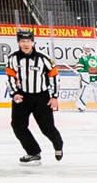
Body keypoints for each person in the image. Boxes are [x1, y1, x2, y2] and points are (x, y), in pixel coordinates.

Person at [5, 28, 64, 162]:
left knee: (47, 128)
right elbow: (9, 77)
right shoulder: (12, 58)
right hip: (21, 97)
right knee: (17, 125)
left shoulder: (43, 58)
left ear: (33, 42)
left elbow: (54, 77)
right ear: (18, 43)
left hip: (41, 98)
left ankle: (58, 145)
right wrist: (14, 94)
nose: (25, 44)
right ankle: (33, 152)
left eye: (28, 41)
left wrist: (54, 96)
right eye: (22, 41)